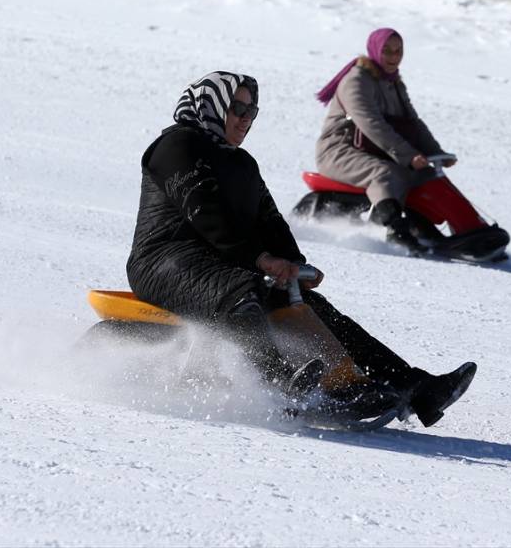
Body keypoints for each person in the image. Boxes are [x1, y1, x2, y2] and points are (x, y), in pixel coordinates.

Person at [125, 71, 475, 426]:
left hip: (223, 262)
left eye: (252, 111)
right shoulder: (177, 146)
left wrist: (295, 265)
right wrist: (260, 259)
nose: (245, 119)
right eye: (237, 108)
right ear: (211, 106)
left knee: (308, 306)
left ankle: (412, 387)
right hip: (164, 261)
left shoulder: (242, 163)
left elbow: (270, 221)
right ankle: (279, 384)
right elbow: (206, 214)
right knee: (243, 293)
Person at [314, 28, 456, 251]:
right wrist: (409, 156)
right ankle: (395, 230)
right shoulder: (357, 81)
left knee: (425, 174)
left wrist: (435, 152)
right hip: (338, 151)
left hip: (375, 151)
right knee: (385, 173)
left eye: (398, 51)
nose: (393, 57)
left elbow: (413, 123)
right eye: (387, 51)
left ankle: (454, 228)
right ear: (375, 50)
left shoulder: (394, 83)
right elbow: (371, 124)